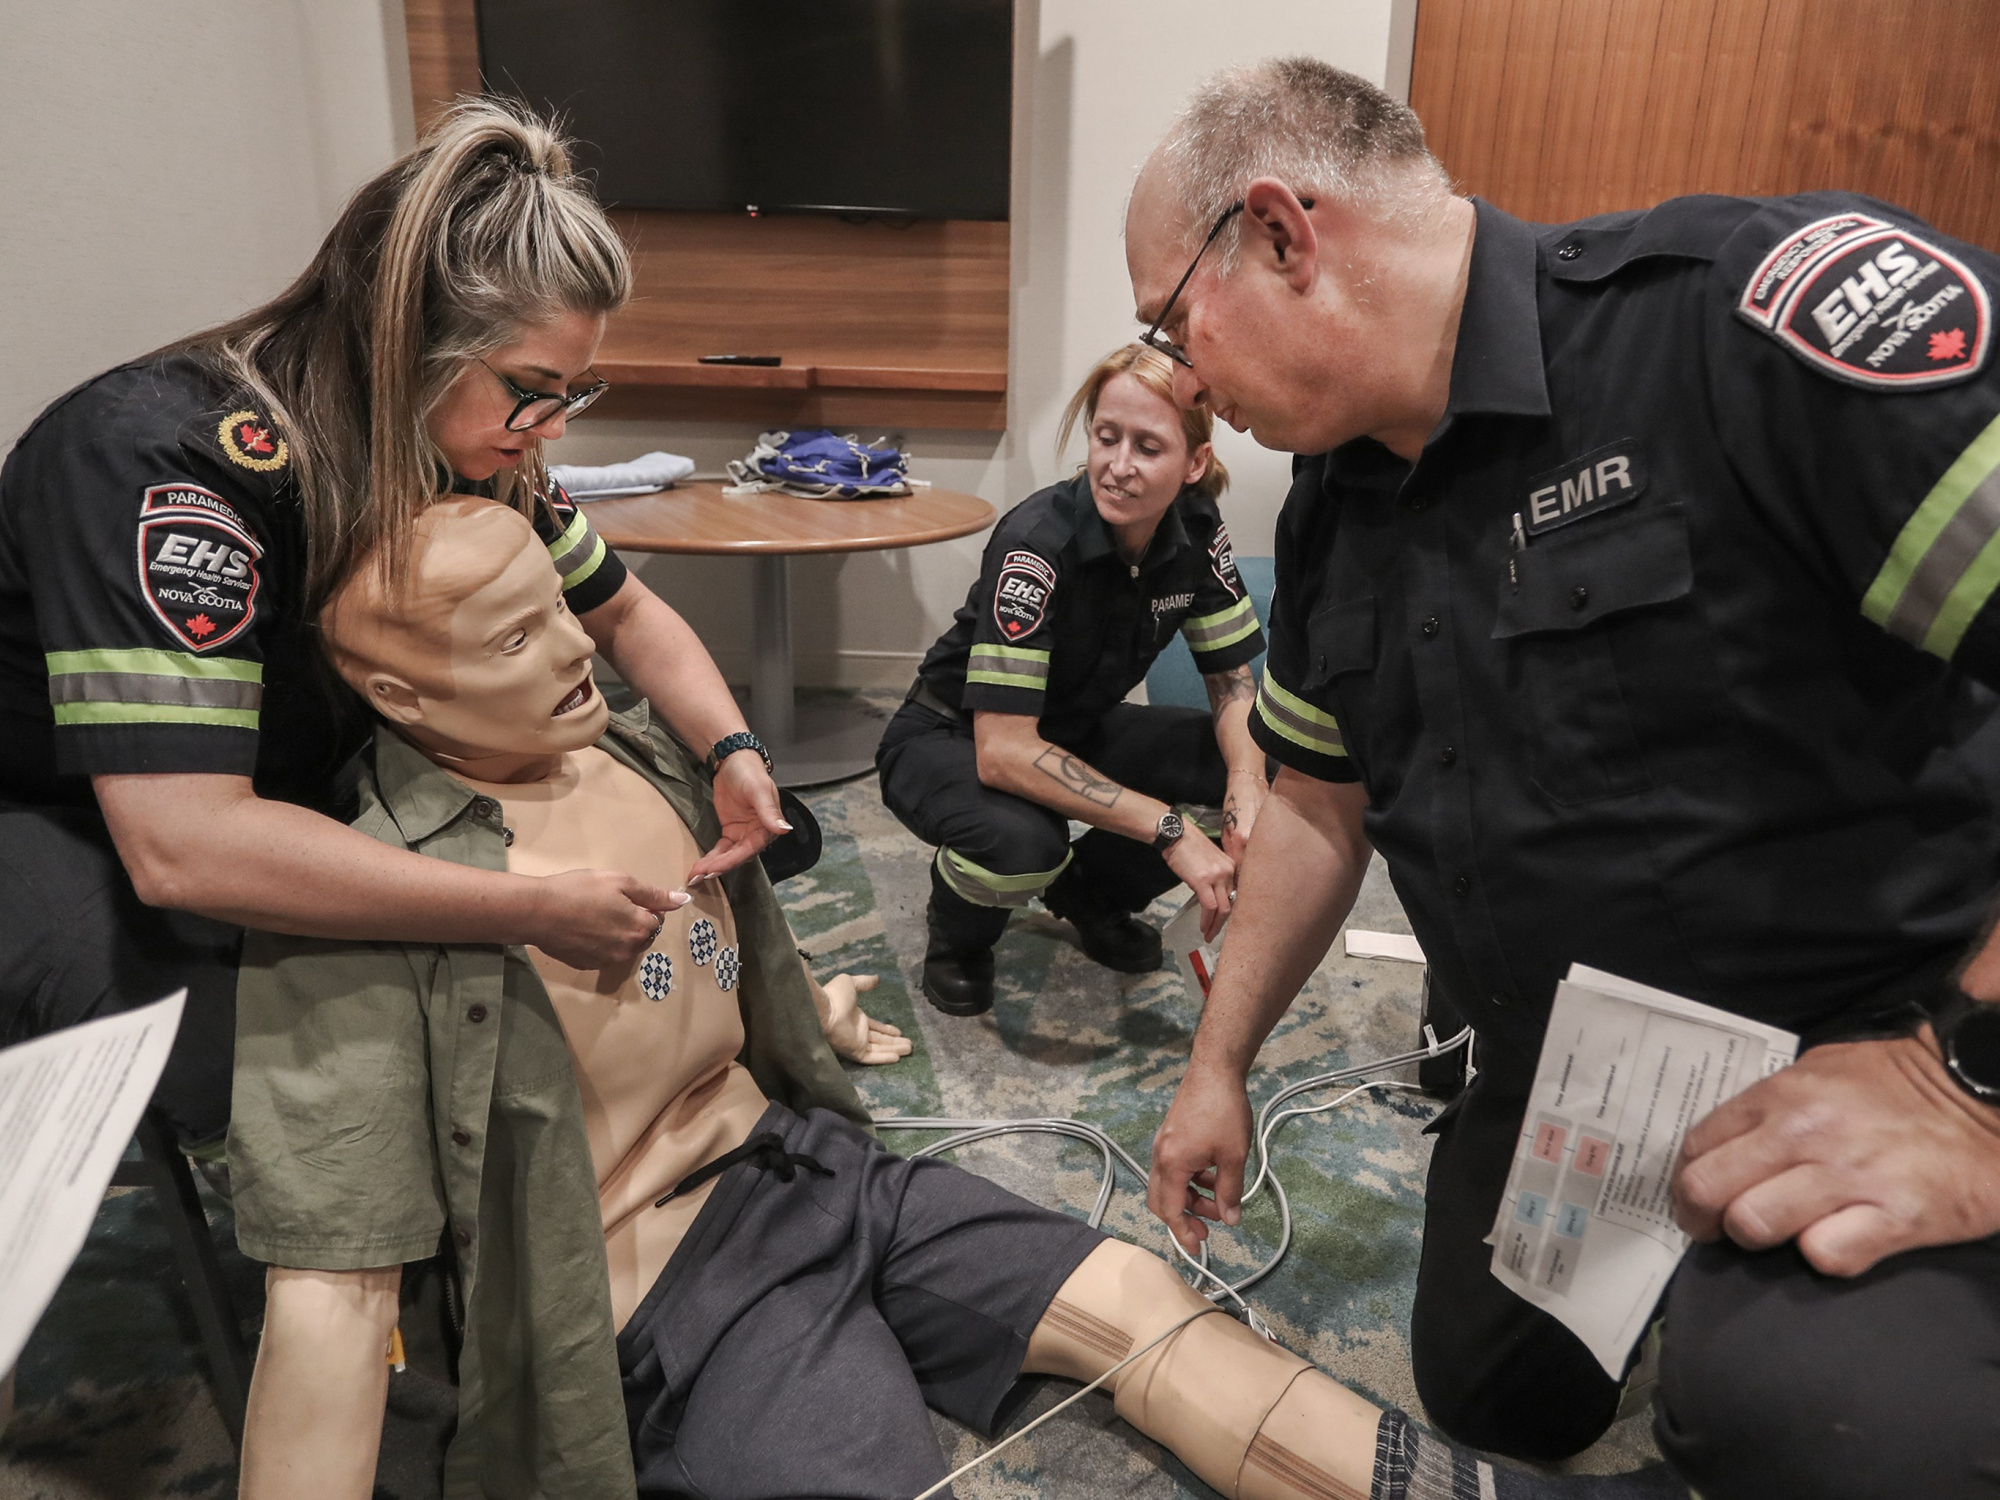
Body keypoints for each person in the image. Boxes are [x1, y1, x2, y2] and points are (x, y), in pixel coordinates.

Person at [235, 496, 1679, 1500]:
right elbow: (327, 1296)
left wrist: (817, 1014)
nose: (570, 652)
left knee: (1145, 1303)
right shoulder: (364, 909)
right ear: (392, 690)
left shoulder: (638, 756)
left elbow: (716, 967)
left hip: (813, 1166)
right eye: (504, 644)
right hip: (659, 1289)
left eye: (560, 611)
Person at [1126, 58, 2000, 1500]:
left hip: (1878, 1023)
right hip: (1587, 1071)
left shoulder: (1742, 323)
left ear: (1281, 234)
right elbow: (1315, 807)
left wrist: (1964, 1082)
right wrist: (1218, 1066)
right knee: (1490, 1395)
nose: (1179, 380)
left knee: (1807, 1417)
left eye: (1172, 322)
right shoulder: (1336, 512)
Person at [0, 99, 787, 1160]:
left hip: (281, 771)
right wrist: (526, 908)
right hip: (70, 810)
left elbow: (626, 612)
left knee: (687, 832)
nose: (553, 429)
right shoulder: (159, 462)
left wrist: (732, 751)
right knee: (298, 1070)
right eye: (534, 393)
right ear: (408, 341)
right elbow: (184, 847)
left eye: (572, 393)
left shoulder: (454, 436)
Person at [877, 344, 1267, 1018]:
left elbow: (1231, 684)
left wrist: (1246, 789)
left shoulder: (1199, 530)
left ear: (1194, 462)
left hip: (1073, 726)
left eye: (1148, 446)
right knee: (1024, 844)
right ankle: (958, 935)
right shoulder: (1037, 544)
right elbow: (1003, 750)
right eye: (1105, 437)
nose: (1117, 467)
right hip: (953, 735)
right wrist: (1170, 830)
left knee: (1257, 762)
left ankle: (1090, 895)